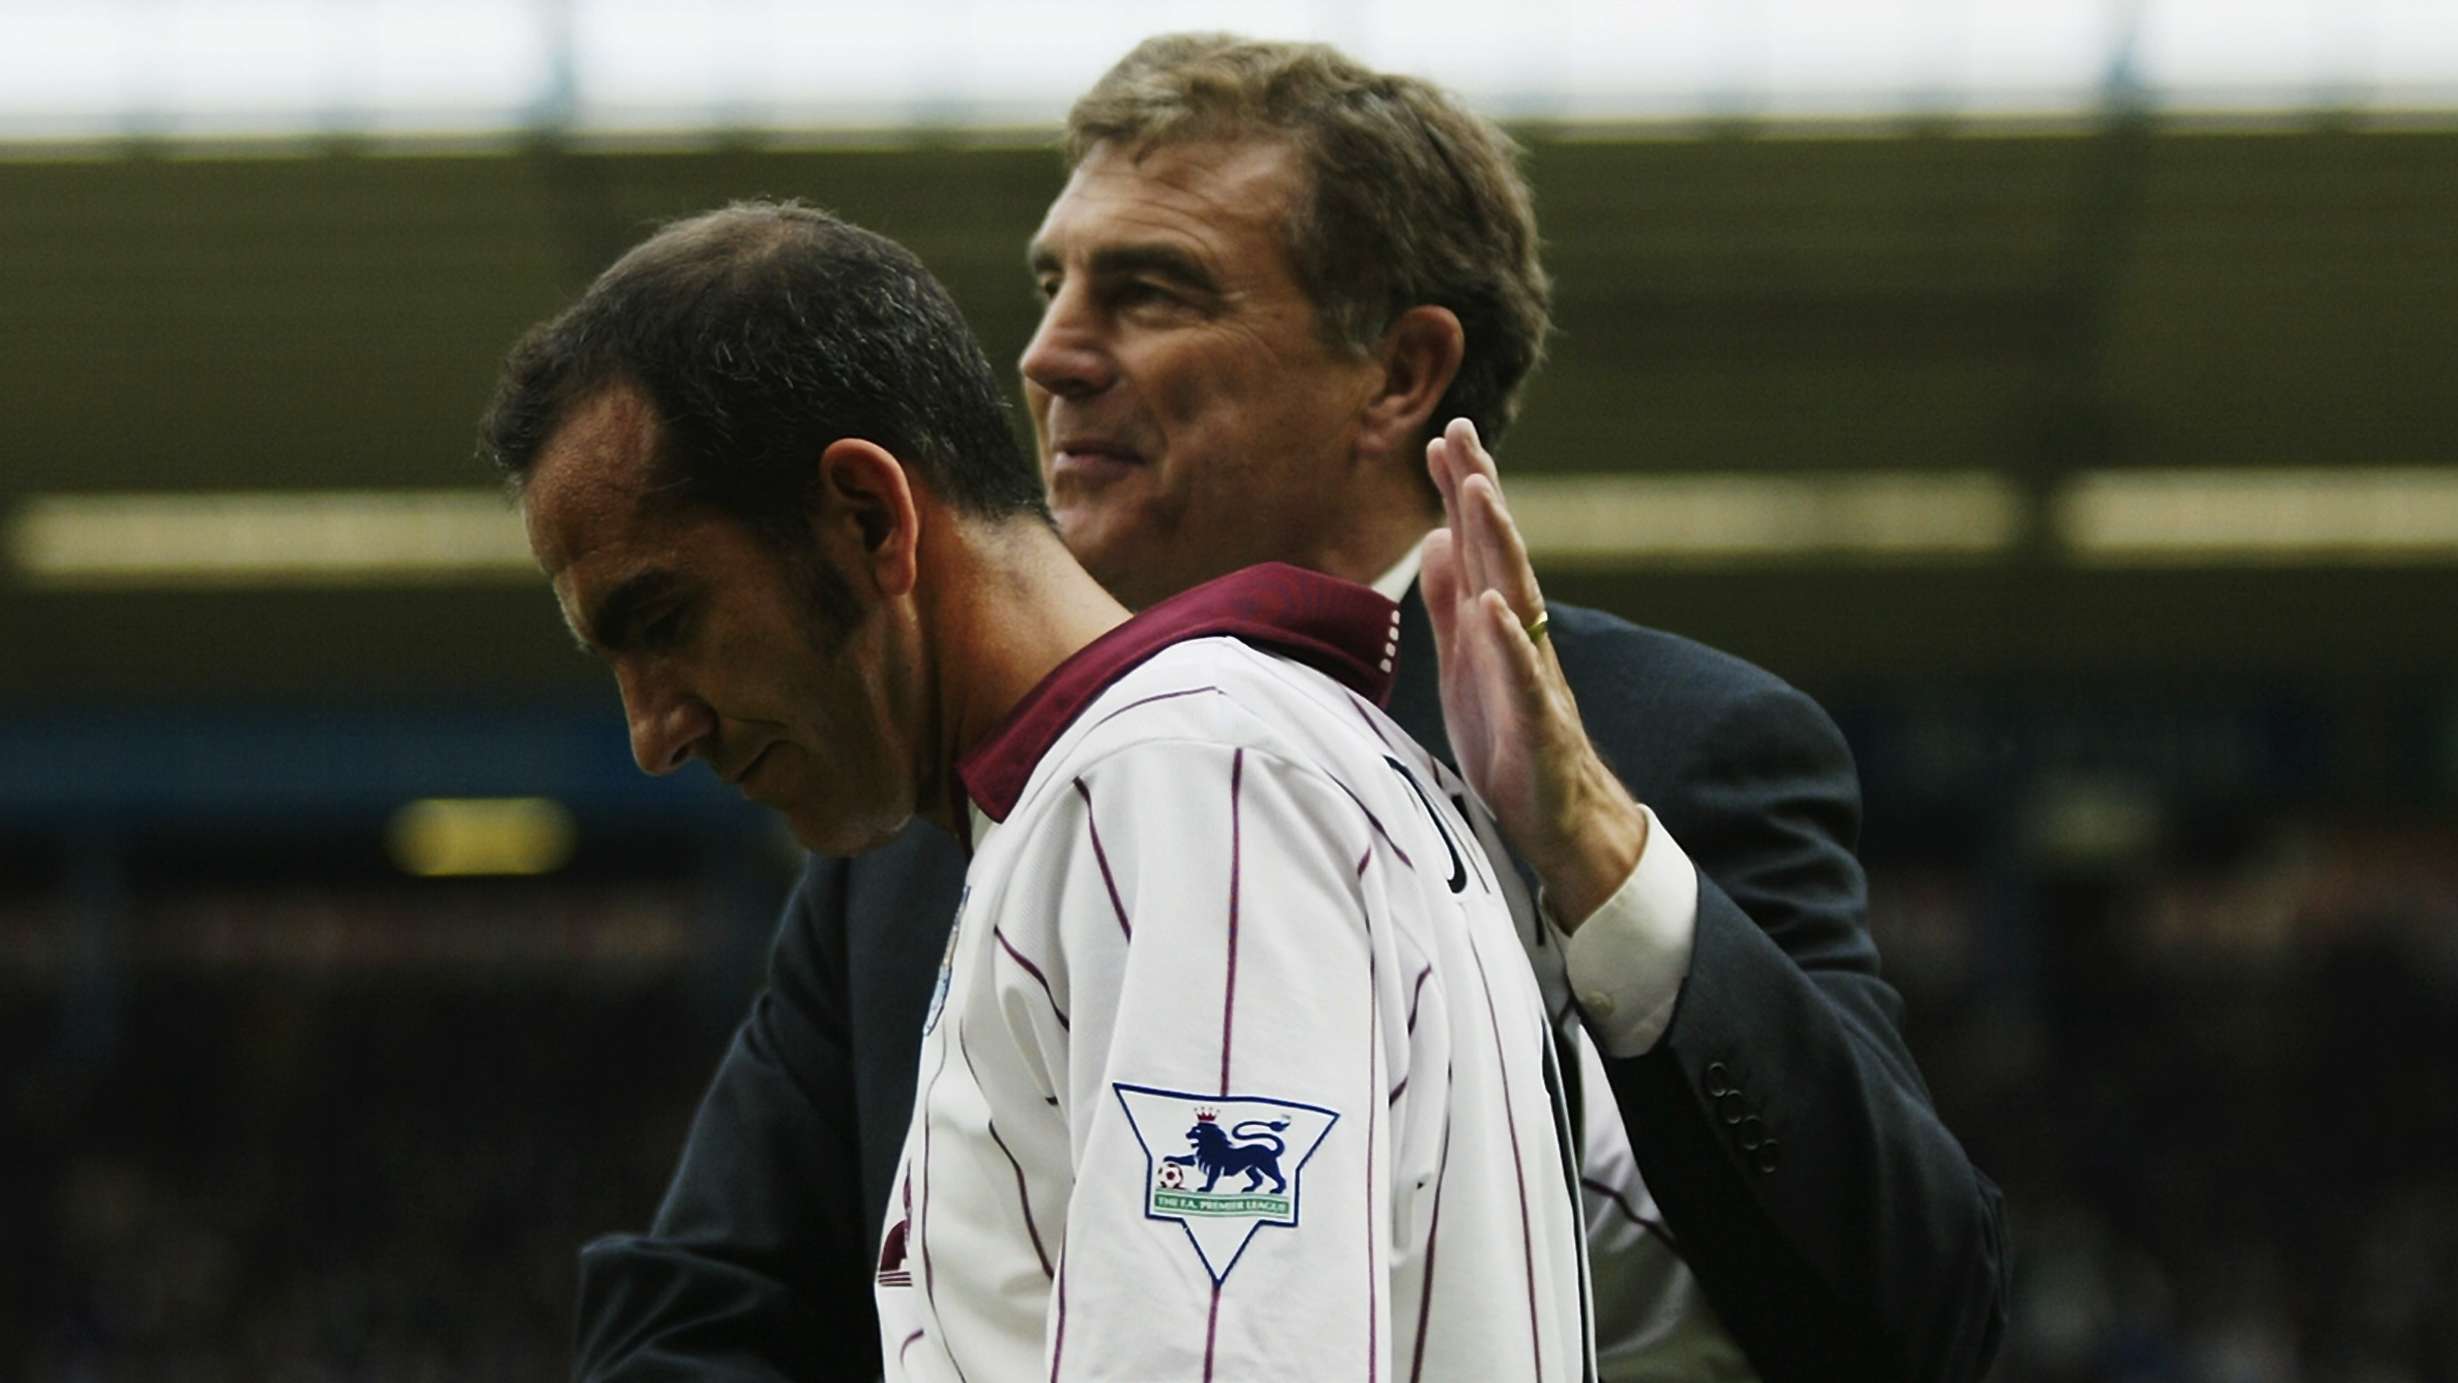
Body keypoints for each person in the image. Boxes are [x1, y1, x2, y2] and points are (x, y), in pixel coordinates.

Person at [573, 33, 2009, 1383]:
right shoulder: (913, 830)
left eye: (1149, 290)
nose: (1050, 353)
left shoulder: (1672, 745)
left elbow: (1924, 1313)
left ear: (1398, 373)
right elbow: (698, 1314)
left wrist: (1597, 858)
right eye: (1052, 284)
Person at [485, 200, 1593, 1379]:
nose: (654, 733)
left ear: (867, 517)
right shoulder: (1157, 777)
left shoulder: (1180, 782)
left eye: (665, 621)